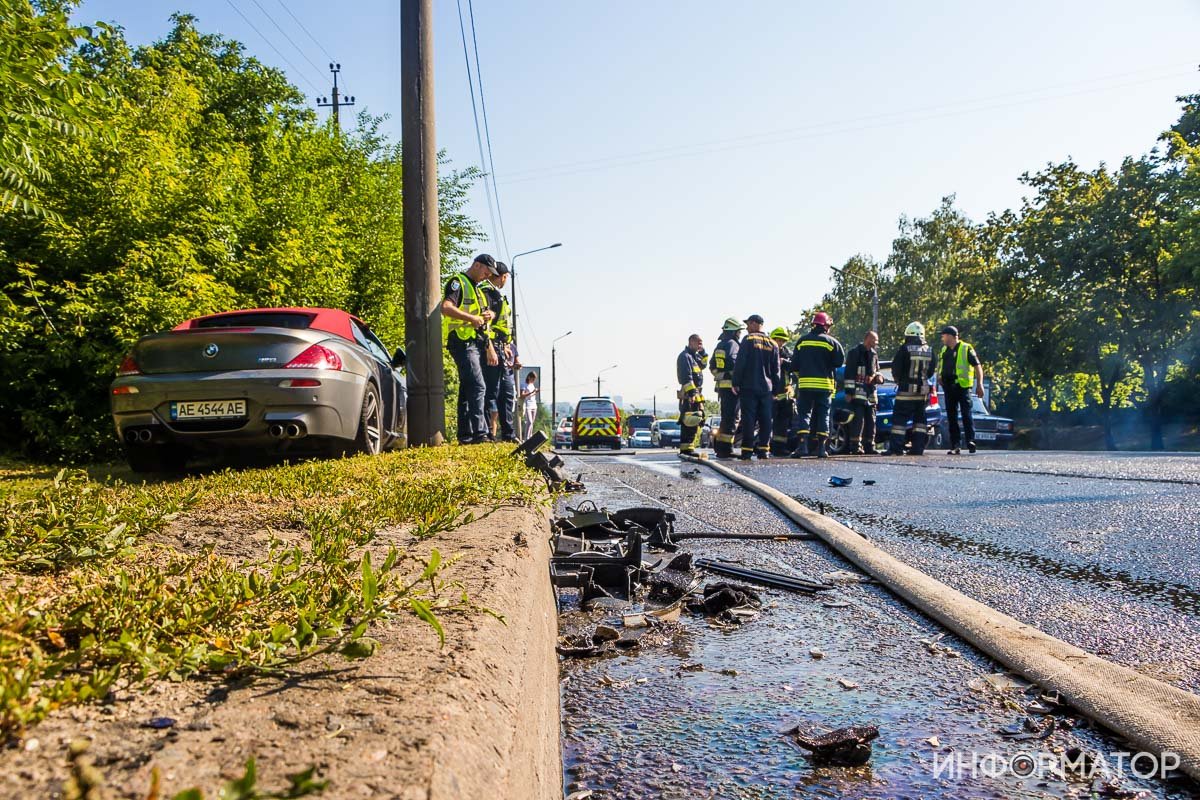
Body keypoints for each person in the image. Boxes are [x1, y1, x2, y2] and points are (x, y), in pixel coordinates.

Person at [441, 254, 497, 444]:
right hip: (461, 341)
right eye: (486, 271)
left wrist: (488, 315)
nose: (487, 276)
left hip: (474, 343)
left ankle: (465, 436)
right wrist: (471, 318)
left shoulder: (478, 290)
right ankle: (479, 434)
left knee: (467, 390)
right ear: (476, 265)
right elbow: (446, 307)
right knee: (478, 386)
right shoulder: (458, 282)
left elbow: (481, 320)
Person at [789, 312, 845, 459]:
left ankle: (802, 447)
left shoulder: (802, 342)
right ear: (825, 326)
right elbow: (839, 362)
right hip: (825, 386)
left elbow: (794, 365)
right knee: (823, 415)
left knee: (804, 415)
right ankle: (821, 449)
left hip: (805, 385)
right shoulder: (832, 342)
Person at [731, 315, 780, 460]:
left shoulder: (748, 340)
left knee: (749, 419)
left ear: (754, 324)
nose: (746, 328)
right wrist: (776, 390)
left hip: (749, 386)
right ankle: (764, 450)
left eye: (748, 324)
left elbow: (740, 363)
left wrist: (735, 382)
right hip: (767, 388)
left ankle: (747, 450)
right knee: (766, 419)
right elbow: (776, 370)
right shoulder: (773, 343)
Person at [478, 262, 516, 441]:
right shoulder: (486, 292)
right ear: (504, 276)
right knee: (490, 392)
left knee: (507, 393)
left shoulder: (496, 294)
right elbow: (485, 323)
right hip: (491, 347)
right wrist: (490, 347)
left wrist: (507, 344)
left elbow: (502, 325)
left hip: (502, 348)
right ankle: (485, 433)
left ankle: (509, 434)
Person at [887, 321, 935, 455]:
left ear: (908, 335)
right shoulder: (930, 351)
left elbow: (896, 369)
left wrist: (900, 379)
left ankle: (896, 448)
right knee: (920, 421)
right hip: (922, 392)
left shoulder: (904, 349)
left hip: (905, 392)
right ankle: (918, 448)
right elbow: (931, 372)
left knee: (899, 421)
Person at [937, 325, 985, 455]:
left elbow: (977, 367)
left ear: (951, 336)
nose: (942, 338)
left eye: (944, 335)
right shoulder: (944, 350)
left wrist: (979, 384)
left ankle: (970, 441)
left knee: (966, 414)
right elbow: (940, 366)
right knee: (951, 417)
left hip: (962, 387)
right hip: (948, 388)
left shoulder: (966, 348)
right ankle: (955, 445)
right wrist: (939, 377)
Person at [843, 331, 884, 455]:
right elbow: (849, 374)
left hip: (871, 393)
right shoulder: (854, 353)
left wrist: (879, 378)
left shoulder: (874, 354)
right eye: (874, 340)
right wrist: (849, 392)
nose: (875, 343)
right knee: (858, 421)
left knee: (871, 421)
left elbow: (876, 371)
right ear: (867, 339)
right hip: (858, 393)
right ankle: (855, 446)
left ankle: (869, 446)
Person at [709, 317, 744, 458]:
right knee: (732, 419)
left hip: (723, 388)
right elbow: (735, 364)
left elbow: (712, 366)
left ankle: (721, 448)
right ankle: (726, 449)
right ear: (734, 331)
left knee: (726, 418)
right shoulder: (733, 345)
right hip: (732, 388)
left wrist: (721, 376)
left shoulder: (720, 345)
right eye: (739, 331)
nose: (740, 334)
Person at [676, 334, 708, 455]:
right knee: (689, 420)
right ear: (691, 342)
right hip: (690, 393)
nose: (700, 345)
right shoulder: (684, 357)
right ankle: (686, 449)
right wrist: (692, 393)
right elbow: (686, 376)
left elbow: (704, 364)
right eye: (698, 343)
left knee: (695, 419)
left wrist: (703, 351)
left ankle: (689, 447)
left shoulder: (694, 357)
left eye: (702, 343)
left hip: (696, 392)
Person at [768, 327, 797, 456]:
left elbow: (794, 365)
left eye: (782, 341)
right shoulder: (767, 352)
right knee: (766, 421)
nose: (780, 343)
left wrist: (783, 362)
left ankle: (779, 448)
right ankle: (762, 446)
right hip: (770, 393)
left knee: (783, 422)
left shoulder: (786, 353)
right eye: (778, 340)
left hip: (784, 394)